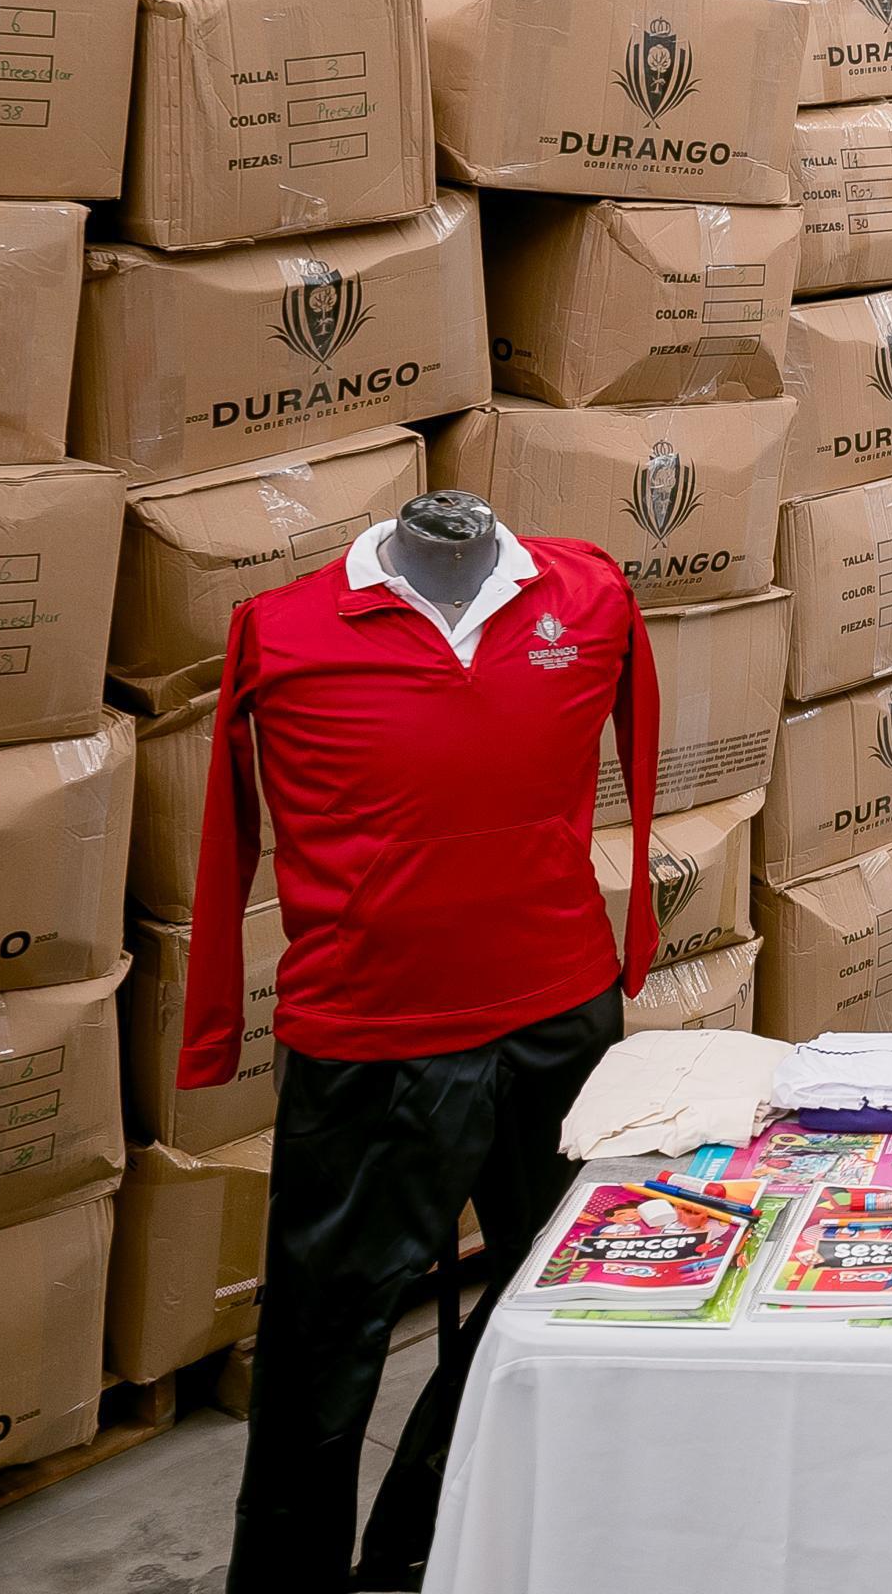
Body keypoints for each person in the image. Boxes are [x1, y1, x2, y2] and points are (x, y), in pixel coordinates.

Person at [189, 492, 656, 1594]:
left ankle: (432, 1533)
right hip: (369, 1039)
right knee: (321, 1348)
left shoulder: (587, 594)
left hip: (561, 1015)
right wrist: (212, 1026)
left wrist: (628, 943)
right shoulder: (285, 629)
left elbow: (632, 761)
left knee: (566, 1291)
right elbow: (226, 836)